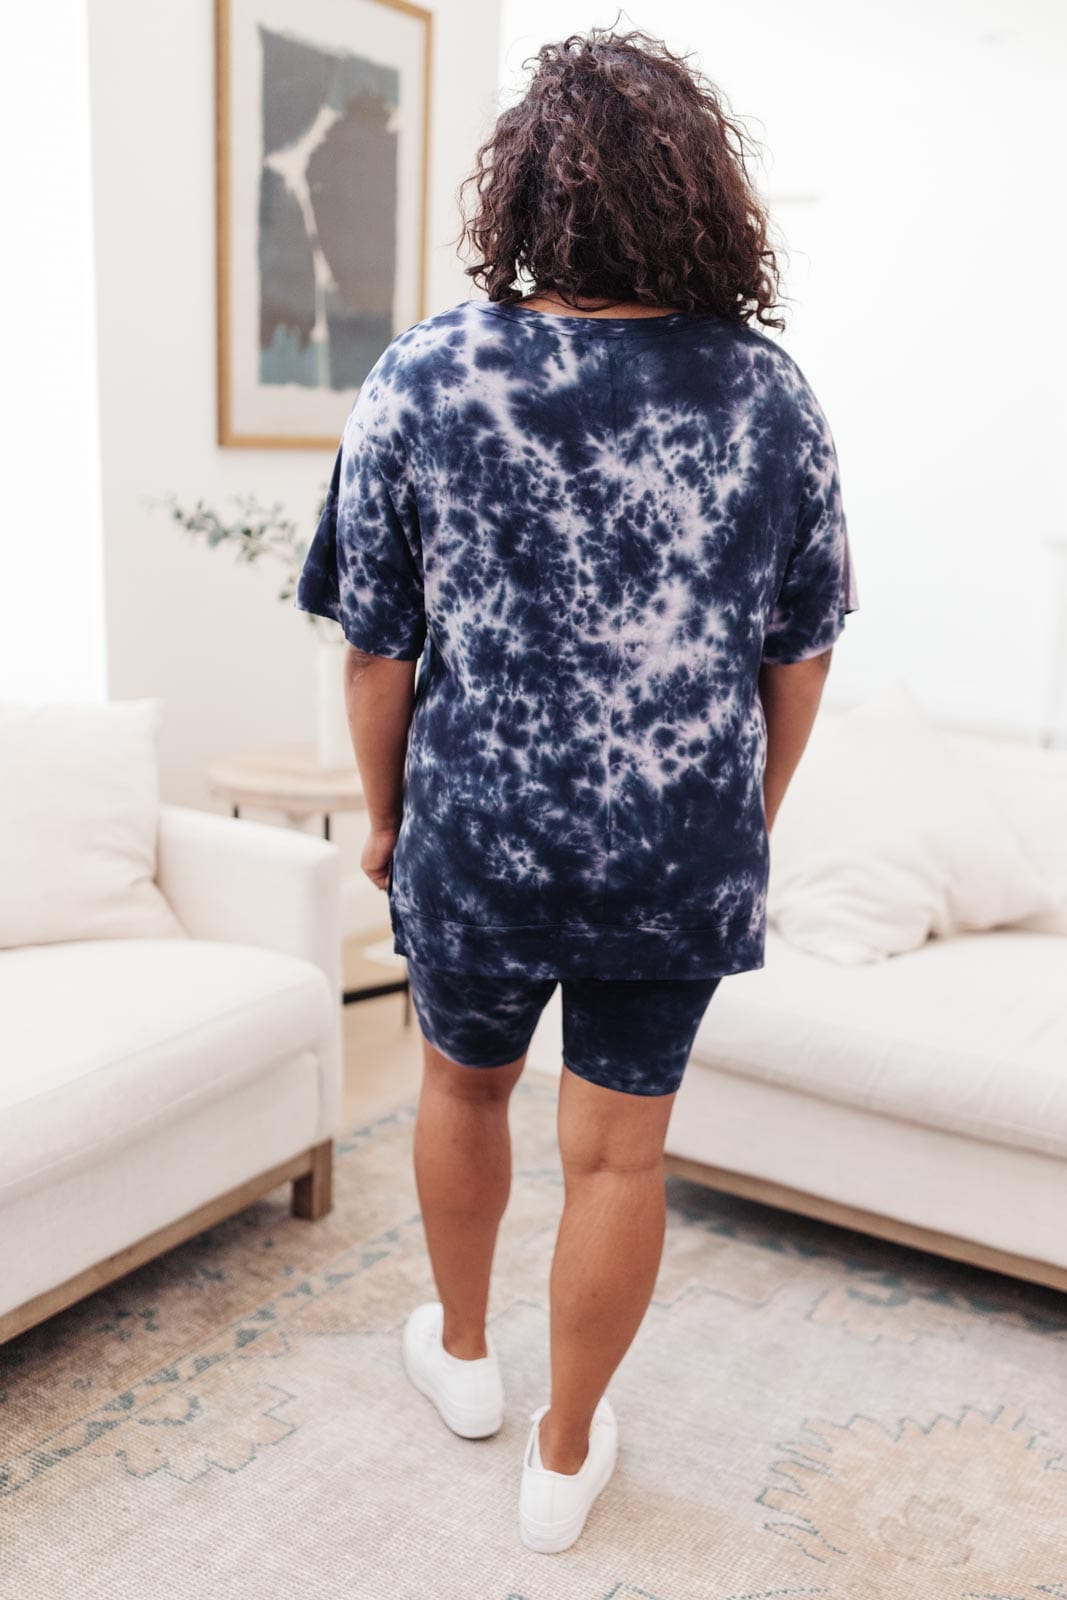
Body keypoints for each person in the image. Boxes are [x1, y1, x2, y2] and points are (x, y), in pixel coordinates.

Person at [294, 24, 859, 1555]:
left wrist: (388, 817)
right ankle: (560, 1458)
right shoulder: (767, 395)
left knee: (460, 1086)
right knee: (620, 1152)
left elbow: (376, 649)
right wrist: (745, 816)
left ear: (525, 188)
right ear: (701, 192)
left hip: (478, 833)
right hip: (677, 844)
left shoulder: (427, 372)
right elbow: (800, 655)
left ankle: (466, 1358)